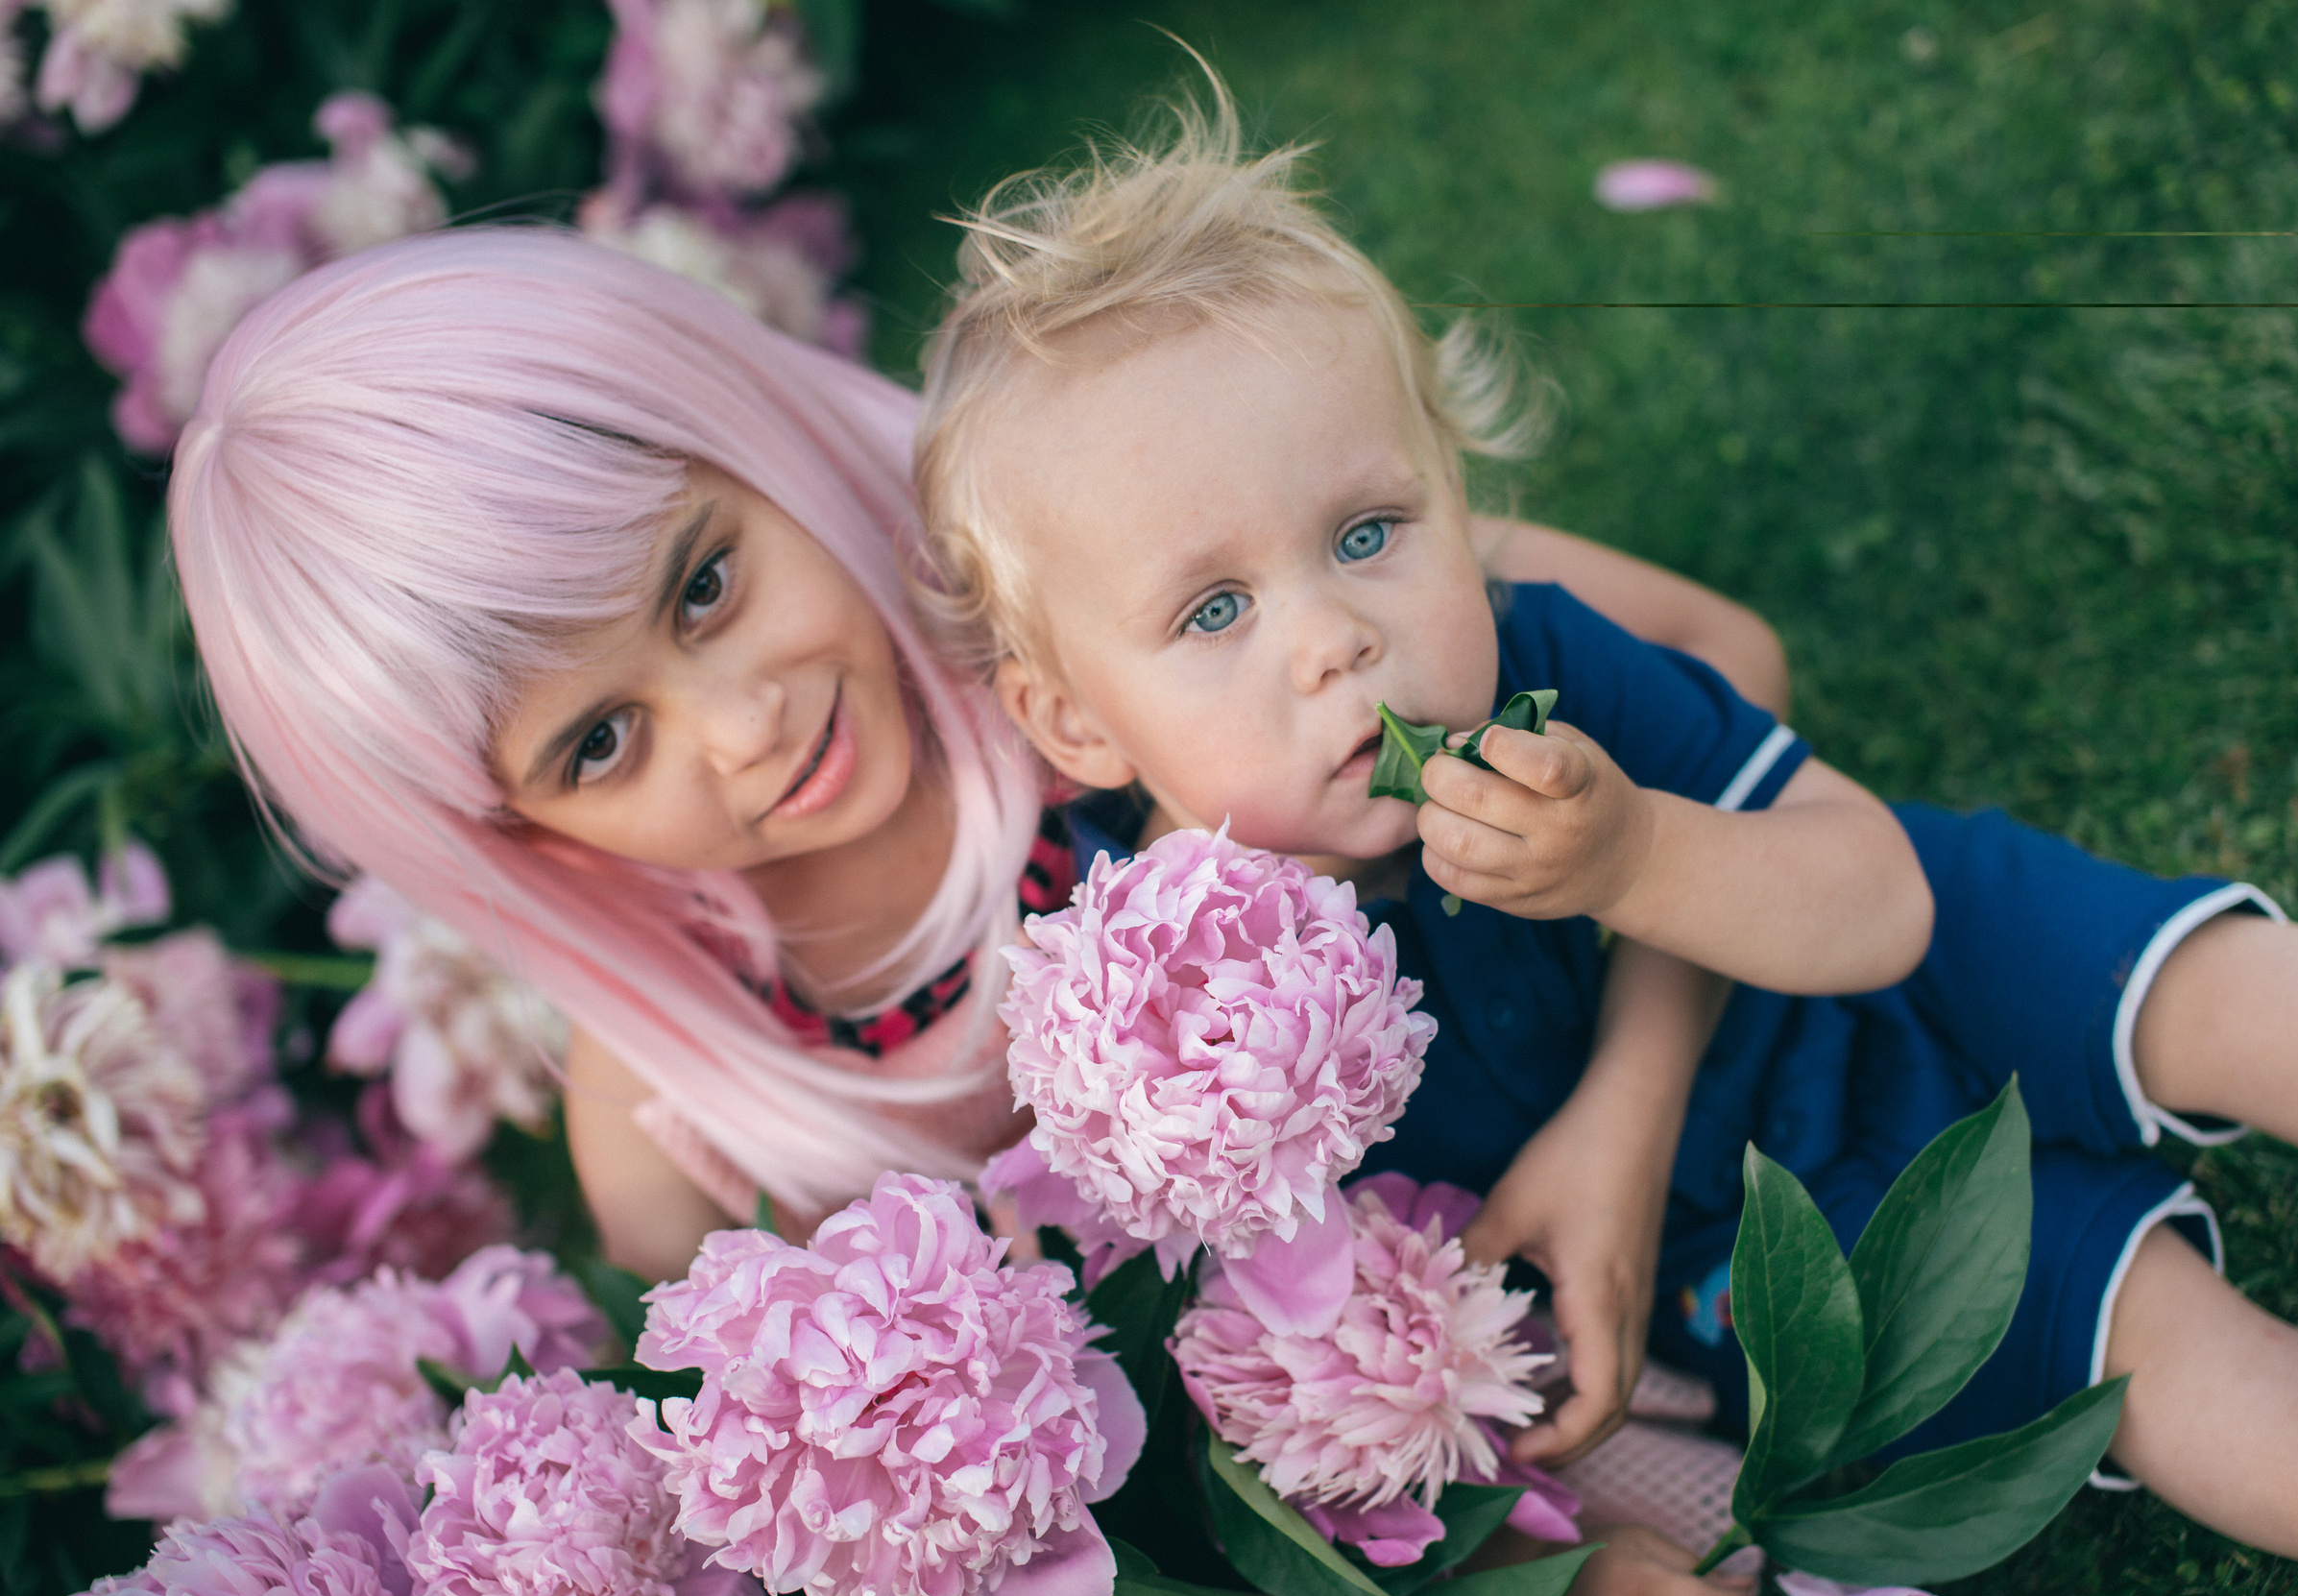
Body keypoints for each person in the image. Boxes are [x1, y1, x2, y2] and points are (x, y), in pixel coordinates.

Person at [907, 74, 2298, 1596]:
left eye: (1368, 532)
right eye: (1213, 611)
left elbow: (1879, 902)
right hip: (1768, 1233)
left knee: (2226, 997)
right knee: (2140, 1343)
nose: (1336, 638)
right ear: (1074, 721)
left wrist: (1635, 853)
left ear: (1456, 492)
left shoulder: (1543, 665)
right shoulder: (1162, 1037)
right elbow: (1301, 1380)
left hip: (1904, 963)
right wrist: (1539, 1566)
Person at [163, 225, 1777, 1292]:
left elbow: (1715, 660)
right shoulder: (680, 1123)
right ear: (522, 834)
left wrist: (1629, 1109)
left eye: (704, 583)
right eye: (598, 743)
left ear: (757, 435)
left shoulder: (1116, 579)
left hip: (1654, 1144)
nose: (745, 725)